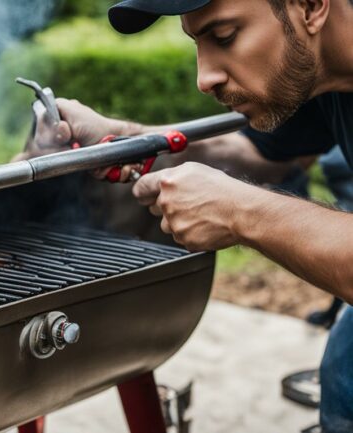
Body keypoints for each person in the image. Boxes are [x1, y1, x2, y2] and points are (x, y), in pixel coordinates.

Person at [23, 0, 353, 430]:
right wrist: (126, 139)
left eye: (224, 37)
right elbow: (259, 155)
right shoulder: (319, 69)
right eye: (198, 43)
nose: (205, 78)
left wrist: (239, 211)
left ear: (309, 6)